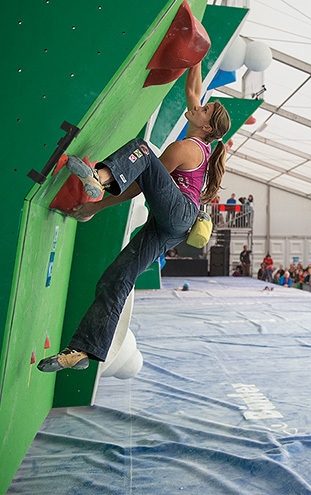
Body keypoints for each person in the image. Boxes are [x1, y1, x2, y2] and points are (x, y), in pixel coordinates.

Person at [38, 62, 231, 372]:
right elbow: (193, 90)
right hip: (172, 226)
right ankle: (83, 350)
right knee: (116, 278)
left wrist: (97, 204)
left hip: (178, 213)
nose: (197, 106)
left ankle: (97, 179)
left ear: (206, 126)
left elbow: (140, 184)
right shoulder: (201, 135)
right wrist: (196, 59)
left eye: (204, 109)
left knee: (141, 151)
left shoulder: (185, 148)